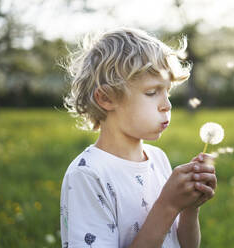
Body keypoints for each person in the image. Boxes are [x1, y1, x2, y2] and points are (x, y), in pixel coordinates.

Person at [60, 27, 217, 248]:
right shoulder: (88, 175)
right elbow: (165, 211)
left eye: (167, 92)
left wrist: (190, 207)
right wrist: (168, 206)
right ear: (106, 98)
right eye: (152, 93)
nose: (167, 105)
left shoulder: (158, 159)